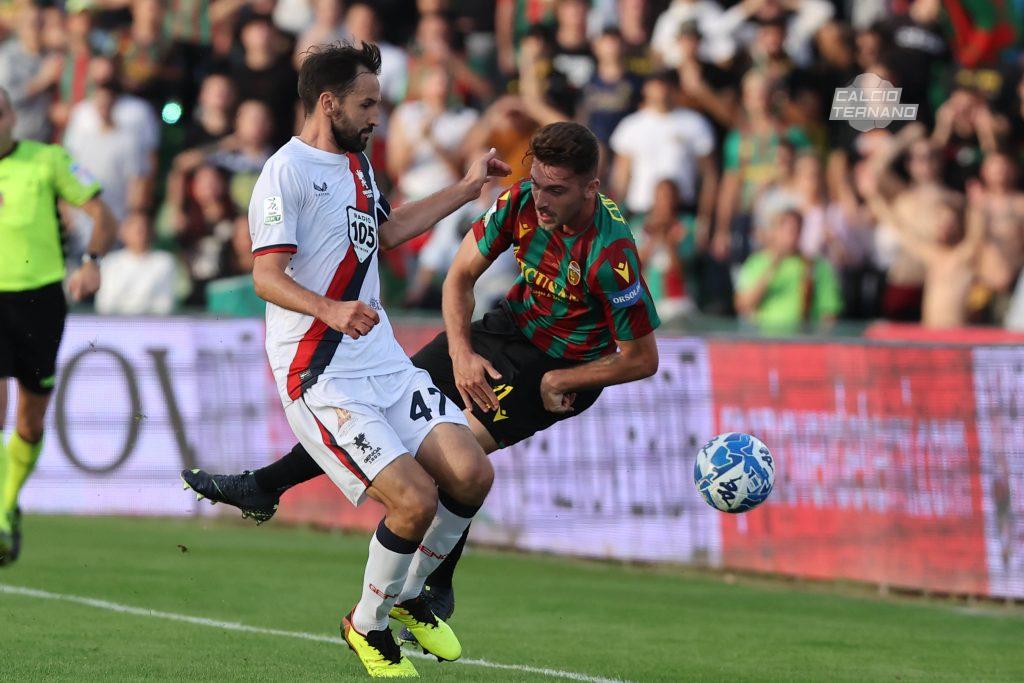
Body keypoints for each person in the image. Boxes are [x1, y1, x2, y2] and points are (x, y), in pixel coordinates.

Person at [183, 121, 661, 644]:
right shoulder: (523, 202)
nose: (541, 199)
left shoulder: (612, 256)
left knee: (452, 459)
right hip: (504, 329)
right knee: (390, 404)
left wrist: (564, 379)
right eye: (537, 181)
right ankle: (266, 486)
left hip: (559, 369)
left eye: (557, 190)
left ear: (592, 188)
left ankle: (431, 583)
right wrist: (460, 354)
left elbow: (641, 358)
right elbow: (459, 277)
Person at [186, 43, 510, 678]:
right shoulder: (285, 172)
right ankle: (367, 627)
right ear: (328, 103)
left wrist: (468, 188)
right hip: (320, 368)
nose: (376, 117)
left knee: (471, 473)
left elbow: (387, 232)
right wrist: (331, 310)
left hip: (380, 359)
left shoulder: (359, 166)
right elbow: (265, 276)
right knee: (413, 501)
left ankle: (412, 595)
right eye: (366, 105)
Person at [0, 87, 117, 564]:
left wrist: (91, 261)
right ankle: (1, 515)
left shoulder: (47, 160)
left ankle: (7, 505)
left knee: (29, 417)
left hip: (39, 299)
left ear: (10, 114)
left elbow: (100, 213)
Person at [734, 208, 842, 332]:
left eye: (796, 230)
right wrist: (773, 267)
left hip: (802, 343)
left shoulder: (816, 266)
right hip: (766, 342)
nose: (791, 235)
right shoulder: (756, 263)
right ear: (774, 231)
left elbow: (829, 313)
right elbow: (743, 305)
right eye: (785, 229)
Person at [95, 212, 177, 315]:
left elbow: (164, 304)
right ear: (123, 233)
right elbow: (105, 303)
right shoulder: (110, 262)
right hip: (116, 325)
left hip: (152, 326)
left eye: (144, 228)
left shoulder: (164, 262)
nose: (141, 233)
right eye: (136, 229)